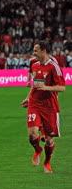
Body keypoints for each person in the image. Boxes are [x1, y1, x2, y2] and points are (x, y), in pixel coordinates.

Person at [21, 42, 66, 173]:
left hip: (49, 106)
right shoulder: (34, 64)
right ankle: (37, 150)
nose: (33, 53)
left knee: (48, 140)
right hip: (35, 103)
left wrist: (46, 88)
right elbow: (35, 85)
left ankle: (47, 162)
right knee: (32, 135)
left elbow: (62, 87)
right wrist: (28, 98)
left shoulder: (54, 67)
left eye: (36, 50)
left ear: (44, 51)